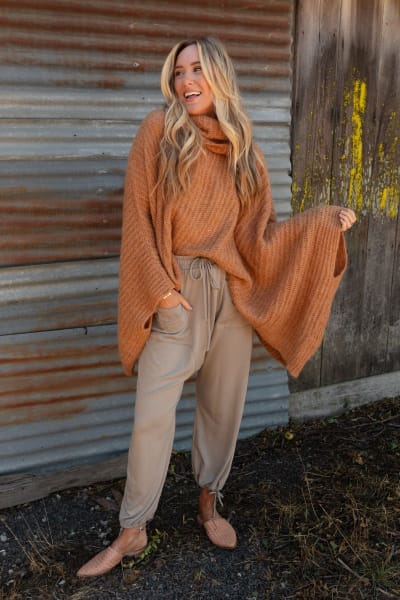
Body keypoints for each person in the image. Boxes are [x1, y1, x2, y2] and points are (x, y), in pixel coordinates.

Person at [77, 37, 356, 577]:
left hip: (231, 294)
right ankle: (133, 529)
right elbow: (138, 218)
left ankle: (209, 502)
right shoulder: (157, 132)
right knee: (151, 417)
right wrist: (160, 290)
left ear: (220, 76)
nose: (186, 81)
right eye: (178, 71)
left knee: (222, 407)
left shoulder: (244, 150)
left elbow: (263, 238)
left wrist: (321, 223)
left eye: (197, 69)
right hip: (176, 288)